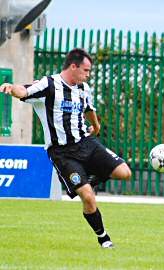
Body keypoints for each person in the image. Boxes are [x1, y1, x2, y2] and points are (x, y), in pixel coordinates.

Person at [0, 48, 132, 248]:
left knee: (124, 172)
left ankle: (84, 181)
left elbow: (89, 108)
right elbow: (24, 91)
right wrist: (12, 87)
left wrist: (96, 126)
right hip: (62, 153)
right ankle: (104, 238)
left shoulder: (83, 88)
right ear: (73, 66)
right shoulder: (49, 84)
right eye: (86, 70)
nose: (88, 75)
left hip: (86, 144)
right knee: (88, 197)